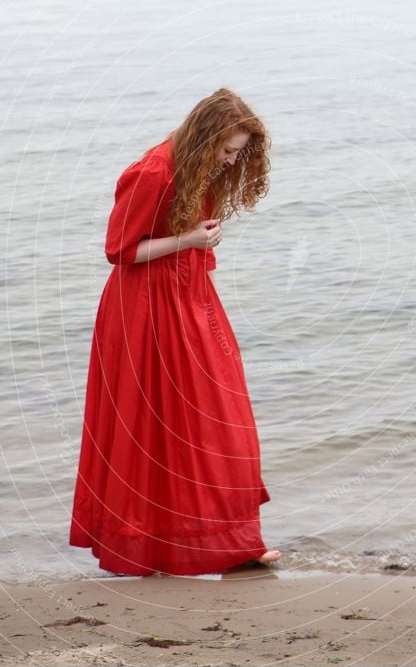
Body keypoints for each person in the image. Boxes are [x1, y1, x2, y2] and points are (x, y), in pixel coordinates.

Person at [69, 88, 282, 576]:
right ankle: (153, 546)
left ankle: (234, 539)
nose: (231, 161)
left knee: (220, 419)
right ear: (206, 137)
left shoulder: (195, 167)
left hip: (190, 298)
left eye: (238, 152)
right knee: (158, 428)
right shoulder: (152, 172)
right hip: (144, 307)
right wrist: (189, 239)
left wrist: (194, 250)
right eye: (228, 150)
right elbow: (121, 252)